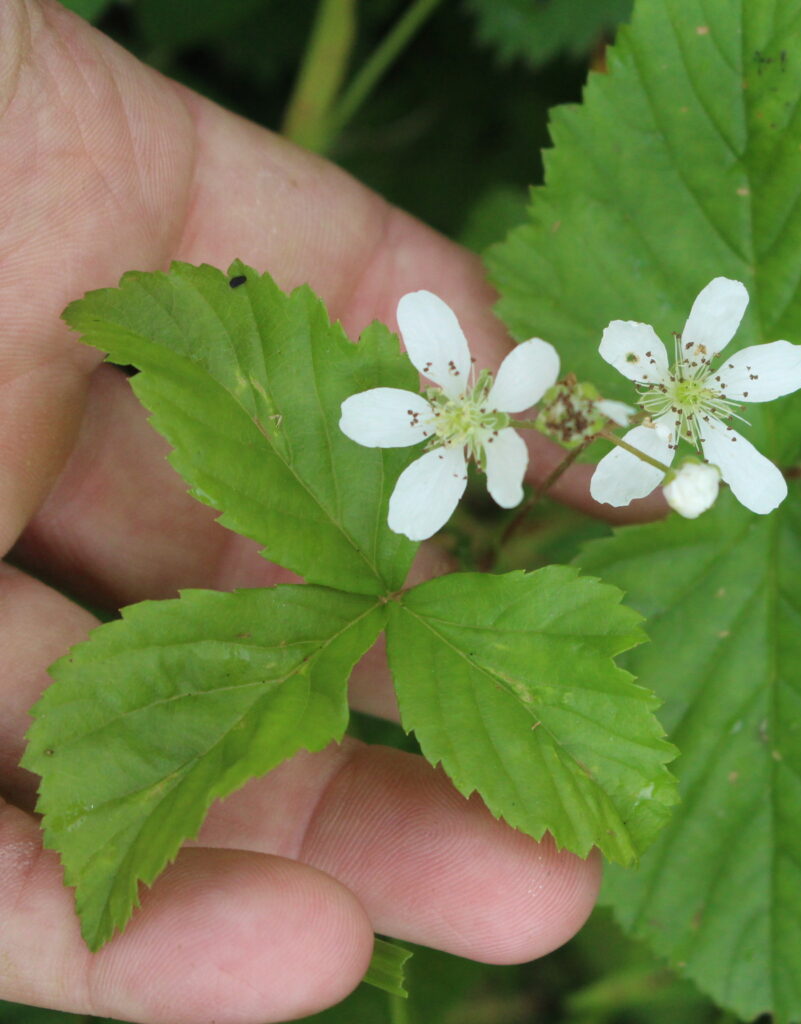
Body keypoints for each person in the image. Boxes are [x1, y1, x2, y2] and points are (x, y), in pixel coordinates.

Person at [0, 3, 655, 1020]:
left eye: (467, 405)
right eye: (455, 402)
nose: (458, 404)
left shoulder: (483, 442)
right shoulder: (441, 444)